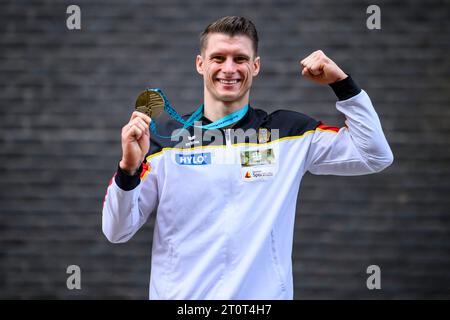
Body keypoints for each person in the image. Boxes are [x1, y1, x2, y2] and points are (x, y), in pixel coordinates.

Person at [102, 16, 393, 299]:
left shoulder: (288, 132)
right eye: (218, 58)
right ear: (200, 64)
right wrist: (128, 169)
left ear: (255, 66)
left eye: (240, 59)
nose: (229, 69)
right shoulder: (165, 139)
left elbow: (374, 154)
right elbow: (117, 231)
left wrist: (342, 84)